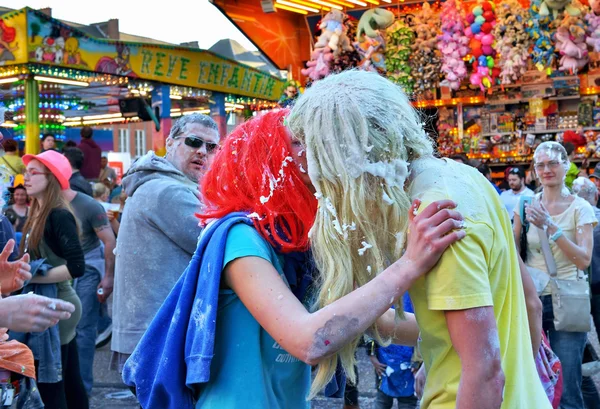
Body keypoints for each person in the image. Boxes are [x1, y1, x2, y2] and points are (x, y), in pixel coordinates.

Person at [123, 108, 466, 409]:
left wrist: (462, 330)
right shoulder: (241, 238)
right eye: (298, 143)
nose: (315, 153)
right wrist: (409, 264)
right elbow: (309, 340)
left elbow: (373, 320)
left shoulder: (297, 244)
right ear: (267, 162)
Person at [287, 71, 550, 409]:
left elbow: (484, 370)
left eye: (316, 159)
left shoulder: (434, 214)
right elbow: (531, 303)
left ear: (348, 157)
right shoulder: (464, 176)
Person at [111, 114, 220, 373]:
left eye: (212, 146)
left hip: (153, 332)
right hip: (159, 336)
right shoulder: (168, 191)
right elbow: (221, 244)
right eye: (194, 142)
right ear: (170, 143)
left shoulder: (165, 184)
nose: (202, 152)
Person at [514, 142, 597, 409]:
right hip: (532, 300)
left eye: (552, 163)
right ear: (535, 170)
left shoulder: (580, 208)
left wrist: (550, 226)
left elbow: (583, 259)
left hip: (568, 299)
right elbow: (514, 253)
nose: (547, 170)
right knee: (533, 379)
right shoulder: (525, 203)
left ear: (566, 165)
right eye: (541, 165)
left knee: (568, 385)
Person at [16, 150, 88, 409]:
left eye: (34, 172)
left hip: (59, 303)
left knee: (51, 380)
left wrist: (28, 275)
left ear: (52, 178)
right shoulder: (35, 213)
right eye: (26, 172)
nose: (27, 177)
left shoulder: (58, 215)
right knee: (67, 377)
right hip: (49, 302)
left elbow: (77, 266)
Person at [62, 160, 116, 395]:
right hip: (60, 271)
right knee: (58, 329)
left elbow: (109, 241)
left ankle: (81, 389)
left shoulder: (88, 205)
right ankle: (61, 386)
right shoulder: (43, 203)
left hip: (87, 270)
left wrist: (108, 277)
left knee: (83, 329)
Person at [367, 294, 418, 409]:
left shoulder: (418, 288)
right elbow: (370, 320)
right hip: (384, 357)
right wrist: (371, 353)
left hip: (410, 359)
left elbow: (426, 328)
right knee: (383, 399)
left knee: (407, 401)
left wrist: (419, 360)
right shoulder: (382, 286)